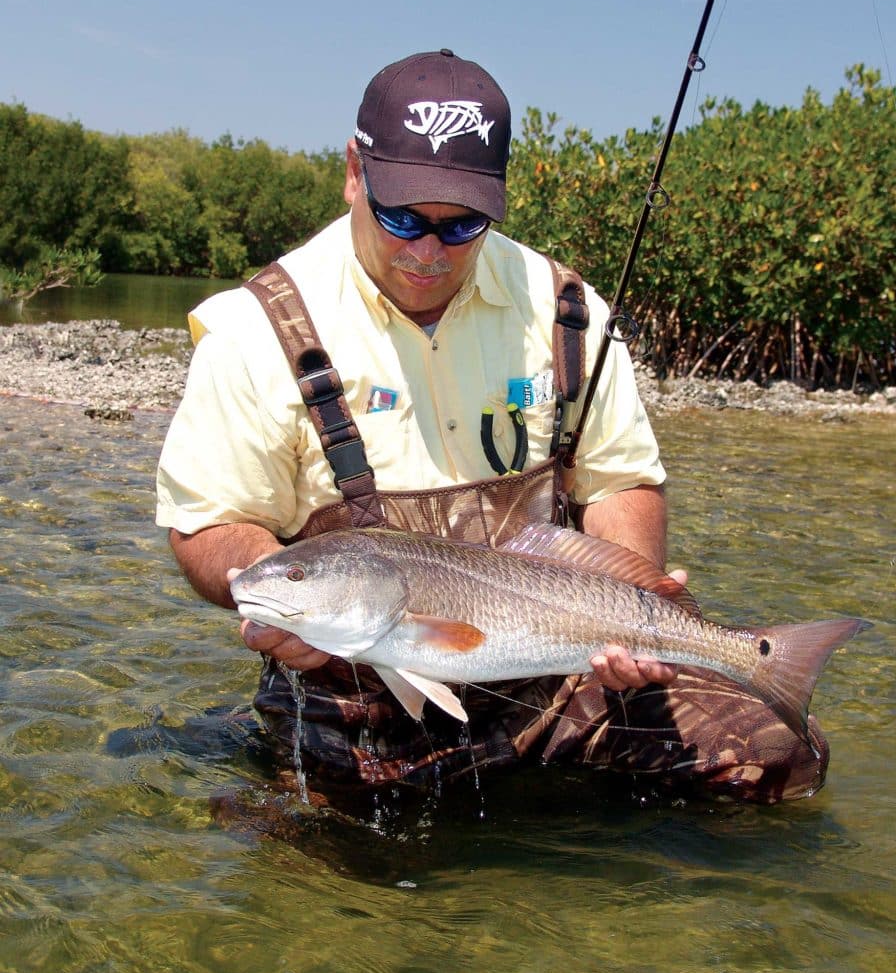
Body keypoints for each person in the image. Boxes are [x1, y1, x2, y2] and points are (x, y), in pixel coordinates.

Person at [156, 50, 828, 804]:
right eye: (400, 216)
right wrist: (278, 600)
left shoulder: (567, 311)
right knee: (329, 885)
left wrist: (627, 621)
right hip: (350, 682)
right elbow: (210, 524)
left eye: (461, 225)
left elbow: (619, 479)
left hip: (557, 671)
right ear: (353, 170)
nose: (426, 252)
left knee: (771, 756)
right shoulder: (254, 331)